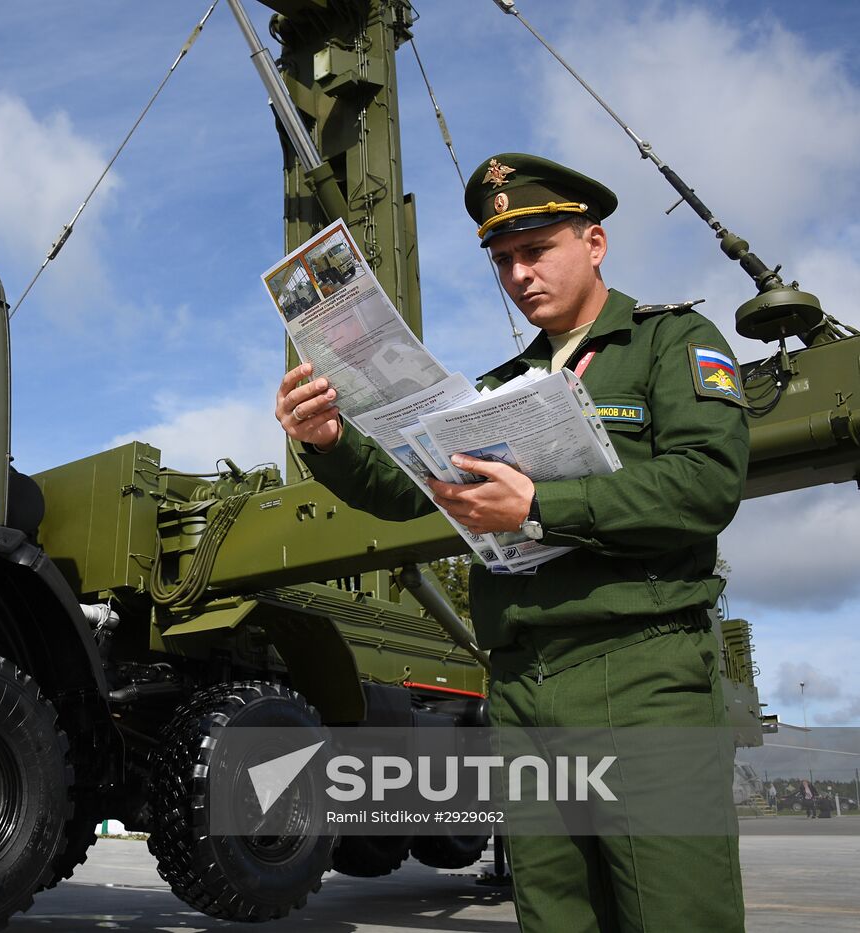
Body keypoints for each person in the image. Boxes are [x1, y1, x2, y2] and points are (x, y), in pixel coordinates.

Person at [276, 153, 749, 932]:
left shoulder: (670, 342)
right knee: (555, 914)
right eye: (504, 261)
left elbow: (704, 486)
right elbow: (405, 490)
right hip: (524, 686)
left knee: (676, 909)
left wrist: (540, 505)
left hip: (639, 669)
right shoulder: (500, 389)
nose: (520, 274)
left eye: (538, 251)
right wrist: (328, 441)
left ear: (594, 243)